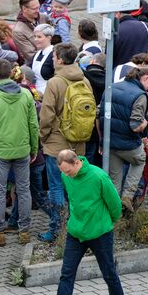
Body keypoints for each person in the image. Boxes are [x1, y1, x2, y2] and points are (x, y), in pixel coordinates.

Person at [34, 150, 126, 295]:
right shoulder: (66, 176)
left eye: (68, 171)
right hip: (76, 232)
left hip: (100, 232)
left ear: (77, 163)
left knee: (109, 272)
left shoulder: (99, 176)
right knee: (66, 274)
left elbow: (115, 204)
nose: (66, 175)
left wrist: (107, 222)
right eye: (63, 172)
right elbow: (72, 200)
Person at [39, 43, 95, 240]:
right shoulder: (84, 80)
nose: (53, 60)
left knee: (56, 187)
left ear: (60, 59)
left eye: (54, 57)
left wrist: (43, 136)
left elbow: (46, 115)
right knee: (75, 187)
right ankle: (76, 224)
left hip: (56, 144)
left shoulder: (55, 82)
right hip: (79, 142)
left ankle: (57, 229)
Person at [0, 59, 38, 246]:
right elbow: (33, 124)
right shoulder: (26, 95)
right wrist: (34, 147)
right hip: (22, 149)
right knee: (23, 190)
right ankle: (24, 231)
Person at [100, 66, 148, 212]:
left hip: (110, 143)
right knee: (140, 160)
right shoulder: (140, 95)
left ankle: (113, 214)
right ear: (146, 77)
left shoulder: (111, 87)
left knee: (114, 180)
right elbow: (135, 125)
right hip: (129, 144)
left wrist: (102, 140)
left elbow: (98, 115)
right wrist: (146, 119)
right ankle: (127, 196)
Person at [13, 0, 48, 64]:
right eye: (34, 9)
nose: (38, 11)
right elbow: (31, 56)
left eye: (39, 7)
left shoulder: (43, 17)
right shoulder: (18, 31)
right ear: (24, 9)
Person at [29, 24, 55, 95]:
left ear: (49, 38)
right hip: (36, 92)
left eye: (39, 37)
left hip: (49, 93)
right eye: (35, 36)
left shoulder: (54, 55)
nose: (35, 39)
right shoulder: (37, 54)